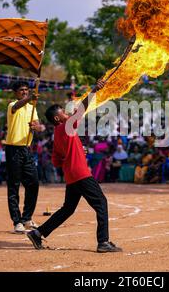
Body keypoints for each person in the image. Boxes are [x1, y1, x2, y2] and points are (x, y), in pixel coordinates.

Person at [26, 79, 122, 253]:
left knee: (68, 209)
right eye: (63, 112)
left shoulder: (58, 133)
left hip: (71, 176)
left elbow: (56, 161)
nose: (66, 113)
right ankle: (103, 242)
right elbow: (81, 111)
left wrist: (76, 152)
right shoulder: (66, 126)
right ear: (58, 118)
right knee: (101, 203)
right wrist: (93, 90)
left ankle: (38, 233)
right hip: (81, 174)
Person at [5, 81, 46, 234]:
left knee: (33, 183)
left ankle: (26, 218)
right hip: (13, 149)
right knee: (14, 186)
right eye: (21, 90)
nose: (24, 92)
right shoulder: (12, 105)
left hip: (26, 150)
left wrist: (38, 127)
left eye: (26, 90)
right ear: (16, 93)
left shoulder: (32, 108)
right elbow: (17, 106)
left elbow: (39, 126)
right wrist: (30, 98)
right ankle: (17, 221)